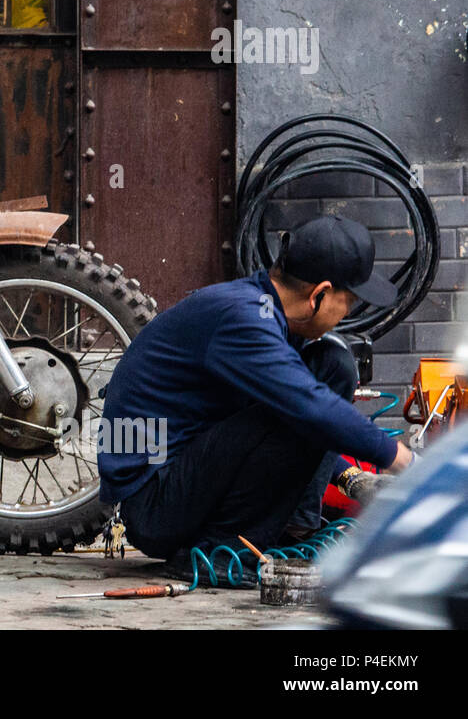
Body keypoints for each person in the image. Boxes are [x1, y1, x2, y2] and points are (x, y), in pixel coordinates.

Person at [98, 214, 413, 578]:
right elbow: (306, 406)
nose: (346, 314)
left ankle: (288, 530)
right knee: (316, 386)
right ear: (320, 294)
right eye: (349, 302)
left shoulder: (262, 312)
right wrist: (406, 463)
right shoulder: (243, 318)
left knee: (330, 363)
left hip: (182, 481)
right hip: (154, 503)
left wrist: (349, 477)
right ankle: (221, 549)